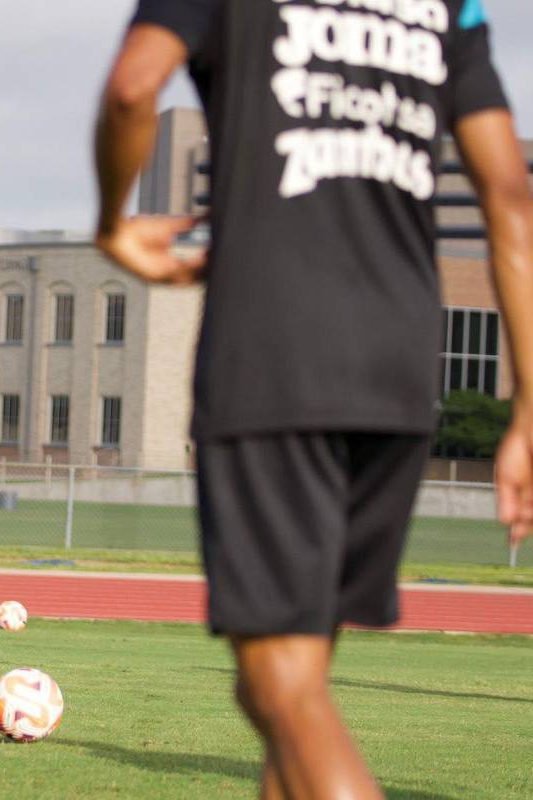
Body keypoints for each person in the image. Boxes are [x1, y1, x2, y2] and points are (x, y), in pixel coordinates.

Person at [94, 2, 533, 797]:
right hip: (398, 369)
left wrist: (110, 221)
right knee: (291, 686)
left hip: (275, 352)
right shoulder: (448, 8)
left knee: (278, 689)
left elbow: (132, 89)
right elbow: (508, 191)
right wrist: (529, 411)